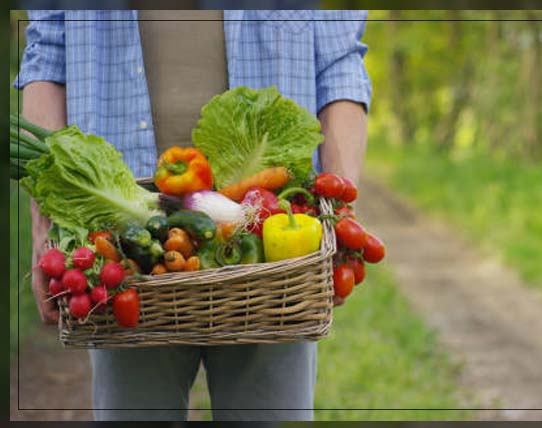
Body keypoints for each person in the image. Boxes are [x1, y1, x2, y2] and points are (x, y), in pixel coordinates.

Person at [16, 9, 371, 421]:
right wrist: (45, 228)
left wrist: (339, 213)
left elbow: (340, 60)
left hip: (272, 237)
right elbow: (48, 52)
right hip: (123, 242)